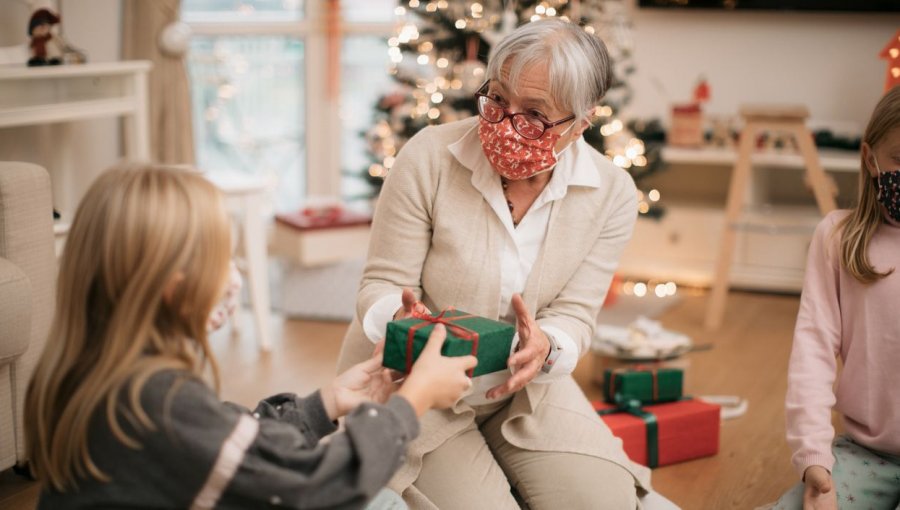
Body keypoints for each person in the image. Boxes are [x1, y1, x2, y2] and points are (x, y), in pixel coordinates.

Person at [24, 165, 476, 509]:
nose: (235, 274)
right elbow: (315, 488)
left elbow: (230, 444)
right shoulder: (159, 402)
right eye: (224, 259)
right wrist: (411, 402)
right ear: (174, 287)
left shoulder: (98, 374)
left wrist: (327, 403)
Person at [337, 18, 650, 510]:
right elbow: (380, 282)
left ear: (579, 124)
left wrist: (548, 345)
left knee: (603, 502)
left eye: (534, 115)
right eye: (498, 99)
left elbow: (576, 310)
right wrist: (399, 324)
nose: (505, 124)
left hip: (526, 391)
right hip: (412, 385)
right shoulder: (428, 157)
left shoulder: (611, 193)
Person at [774, 87, 900, 510]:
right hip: (866, 454)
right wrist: (815, 460)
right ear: (871, 158)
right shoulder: (838, 237)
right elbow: (813, 350)